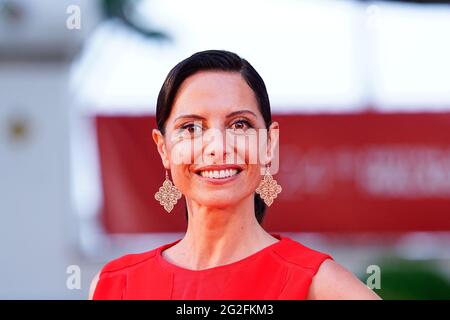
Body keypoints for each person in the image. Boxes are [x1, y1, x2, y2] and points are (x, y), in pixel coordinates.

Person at [89, 50, 380, 300]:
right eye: (191, 128)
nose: (217, 147)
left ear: (269, 144)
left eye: (239, 125)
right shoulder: (114, 286)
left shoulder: (319, 285)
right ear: (163, 148)